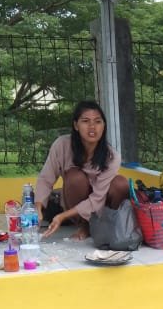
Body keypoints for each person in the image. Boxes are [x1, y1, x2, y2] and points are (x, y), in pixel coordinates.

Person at [35, 101, 130, 240]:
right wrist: (37, 208)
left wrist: (62, 217)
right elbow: (46, 179)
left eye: (98, 121)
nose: (92, 127)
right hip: (74, 203)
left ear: (104, 126)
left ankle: (110, 224)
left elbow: (98, 198)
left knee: (121, 183)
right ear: (76, 125)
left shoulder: (112, 156)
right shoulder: (62, 145)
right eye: (85, 121)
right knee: (75, 177)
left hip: (101, 205)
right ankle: (84, 225)